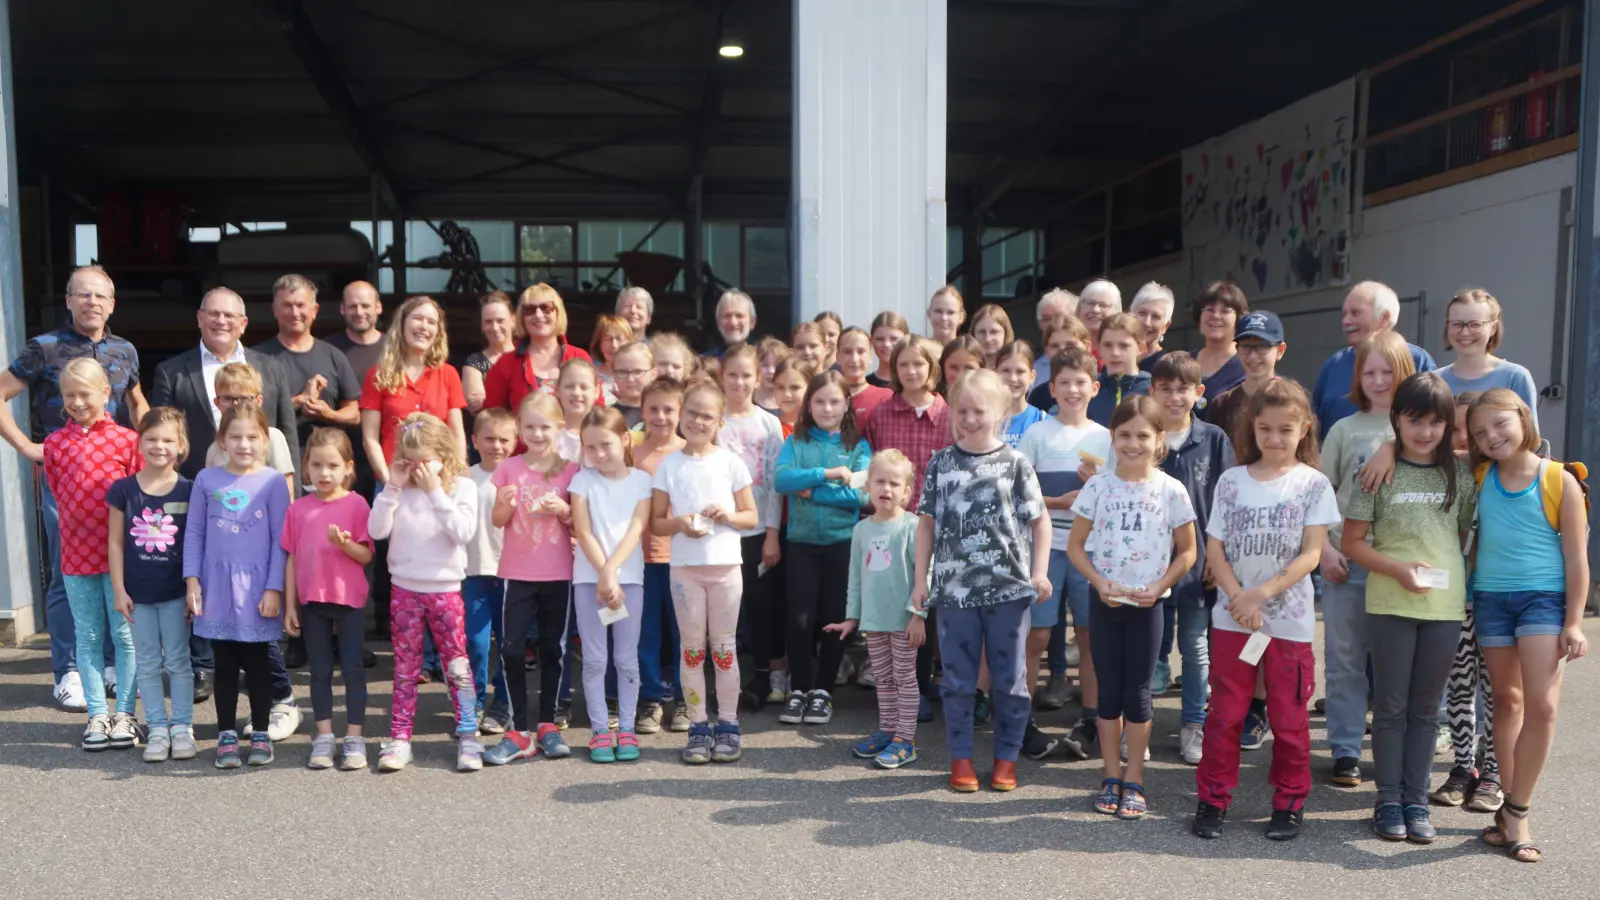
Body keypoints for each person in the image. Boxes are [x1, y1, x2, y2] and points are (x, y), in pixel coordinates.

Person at [1194, 379, 1340, 842]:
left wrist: (1260, 595)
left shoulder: (1312, 484)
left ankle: (1290, 802)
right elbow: (1214, 549)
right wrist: (1238, 597)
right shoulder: (1232, 481)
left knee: (1289, 719)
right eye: (1264, 429)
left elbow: (1311, 554)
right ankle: (1213, 799)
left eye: (1285, 430)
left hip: (1288, 624)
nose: (1274, 439)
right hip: (1232, 621)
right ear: (1251, 429)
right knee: (1226, 714)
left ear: (1304, 430)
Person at [0, 265, 146, 709]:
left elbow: (137, 405)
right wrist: (27, 446)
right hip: (64, 479)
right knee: (69, 574)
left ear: (112, 303)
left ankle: (106, 667)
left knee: (115, 573)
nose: (92, 303)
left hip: (117, 480)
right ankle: (67, 672)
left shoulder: (124, 350)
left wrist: (158, 452)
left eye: (100, 296)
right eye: (83, 295)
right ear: (68, 300)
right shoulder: (44, 348)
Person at [1340, 372, 1473, 843]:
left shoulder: (1459, 473)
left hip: (1443, 607)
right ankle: (1388, 800)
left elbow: (1458, 537)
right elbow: (1353, 543)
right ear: (1396, 418)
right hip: (1389, 602)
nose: (1425, 431)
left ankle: (1417, 801)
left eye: (1436, 422)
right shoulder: (1377, 470)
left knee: (1425, 709)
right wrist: (1397, 569)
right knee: (1392, 708)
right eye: (1415, 420)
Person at [1467, 389, 1588, 863]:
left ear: (1523, 419)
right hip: (1491, 599)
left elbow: (1577, 559)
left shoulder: (1560, 480)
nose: (1491, 436)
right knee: (1507, 700)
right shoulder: (1479, 476)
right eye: (1479, 432)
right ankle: (1509, 812)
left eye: (1499, 424)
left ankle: (1518, 808)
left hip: (1544, 600)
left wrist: (1574, 623)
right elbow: (1435, 450)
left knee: (1542, 707)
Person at [914, 368, 1049, 794]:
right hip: (954, 592)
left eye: (979, 411)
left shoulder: (1015, 464)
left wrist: (1039, 572)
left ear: (1001, 412)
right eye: (962, 410)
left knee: (1010, 679)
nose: (970, 419)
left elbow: (1040, 521)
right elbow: (926, 525)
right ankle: (961, 760)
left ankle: (1006, 758)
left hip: (1009, 590)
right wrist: (922, 579)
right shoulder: (941, 462)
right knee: (956, 681)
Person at [1068, 395, 1198, 819]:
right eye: (1124, 434)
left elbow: (1188, 553)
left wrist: (1160, 585)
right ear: (1112, 437)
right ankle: (1110, 775)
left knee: (1139, 694)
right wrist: (1099, 581)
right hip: (1104, 602)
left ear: (1159, 439)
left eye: (1143, 435)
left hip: (1149, 606)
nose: (1132, 443)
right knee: (1109, 691)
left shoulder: (1171, 490)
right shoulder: (1098, 486)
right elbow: (1075, 546)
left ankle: (1135, 778)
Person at [1320, 330, 1416, 787]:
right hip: (1346, 560)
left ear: (1405, 374)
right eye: (1369, 371)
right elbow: (1318, 496)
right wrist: (1323, 549)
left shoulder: (1419, 427)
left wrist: (1393, 444)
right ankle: (1344, 749)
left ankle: (1391, 748)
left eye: (1388, 371)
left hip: (1399, 565)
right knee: (1344, 660)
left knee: (1398, 663)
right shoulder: (1344, 429)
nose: (1379, 380)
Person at [649, 380, 760, 764]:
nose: (698, 420)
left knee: (724, 649)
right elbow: (656, 523)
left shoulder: (731, 463)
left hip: (727, 567)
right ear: (681, 414)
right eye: (692, 412)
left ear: (720, 422)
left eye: (707, 416)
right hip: (685, 570)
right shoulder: (669, 464)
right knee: (692, 651)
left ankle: (728, 725)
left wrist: (727, 515)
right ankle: (698, 726)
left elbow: (751, 517)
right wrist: (680, 523)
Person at [367, 412, 482, 772]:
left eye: (425, 461)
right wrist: (392, 487)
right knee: (405, 668)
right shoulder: (398, 489)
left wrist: (435, 491)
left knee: (457, 666)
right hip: (404, 589)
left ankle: (468, 736)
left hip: (445, 590)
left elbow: (462, 532)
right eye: (409, 460)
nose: (417, 469)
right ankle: (400, 738)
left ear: (445, 455)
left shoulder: (462, 487)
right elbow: (376, 530)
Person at [183, 403, 291, 769]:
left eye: (252, 437)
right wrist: (192, 580)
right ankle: (226, 734)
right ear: (222, 441)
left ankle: (260, 731)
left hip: (258, 588)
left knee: (258, 664)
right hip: (217, 587)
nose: (244, 444)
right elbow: (194, 532)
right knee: (224, 664)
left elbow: (281, 539)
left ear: (265, 439)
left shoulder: (274, 481)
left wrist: (275, 587)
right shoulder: (206, 480)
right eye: (236, 437)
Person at [43, 359, 142, 751]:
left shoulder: (127, 440)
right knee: (86, 635)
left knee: (124, 635)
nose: (78, 402)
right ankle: (98, 714)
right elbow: (57, 490)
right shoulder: (54, 444)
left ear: (106, 392)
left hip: (121, 555)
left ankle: (127, 714)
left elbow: (138, 493)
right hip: (76, 553)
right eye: (70, 395)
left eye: (85, 394)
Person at [1017, 346, 1110, 753]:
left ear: (1095, 388)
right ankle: (1019, 716)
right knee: (1037, 633)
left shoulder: (1105, 437)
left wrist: (1096, 487)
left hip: (1090, 549)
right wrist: (1059, 502)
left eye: (1081, 383)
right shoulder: (1037, 434)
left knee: (1090, 636)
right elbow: (1019, 491)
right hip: (1044, 546)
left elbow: (1118, 496)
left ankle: (1091, 717)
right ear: (1051, 388)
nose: (1073, 390)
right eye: (1064, 383)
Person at [482, 392, 579, 766]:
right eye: (530, 426)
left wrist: (565, 510)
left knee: (554, 649)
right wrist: (504, 505)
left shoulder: (570, 470)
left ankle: (547, 725)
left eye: (545, 426)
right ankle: (517, 730)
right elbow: (498, 520)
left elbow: (578, 521)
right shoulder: (508, 468)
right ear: (519, 429)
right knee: (510, 648)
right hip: (515, 572)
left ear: (559, 428)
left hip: (558, 572)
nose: (537, 433)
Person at [1148, 352, 1234, 763]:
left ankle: (1194, 724)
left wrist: (1221, 560)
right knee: (1150, 649)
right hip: (1148, 566)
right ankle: (1140, 724)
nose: (1173, 397)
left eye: (1182, 388)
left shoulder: (1214, 439)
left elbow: (1228, 503)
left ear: (1198, 393)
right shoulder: (1145, 438)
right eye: (1165, 389)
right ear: (1153, 392)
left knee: (1196, 649)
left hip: (1199, 566)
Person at [774, 369, 872, 727]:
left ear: (847, 404)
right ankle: (799, 689)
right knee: (799, 620)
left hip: (841, 544)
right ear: (808, 404)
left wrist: (810, 491)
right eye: (819, 401)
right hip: (801, 544)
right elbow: (781, 479)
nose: (827, 407)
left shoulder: (857, 446)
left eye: (834, 401)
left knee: (834, 619)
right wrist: (826, 474)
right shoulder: (796, 442)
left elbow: (861, 496)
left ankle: (823, 693)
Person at [862, 335, 952, 722]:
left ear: (932, 369)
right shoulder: (881, 414)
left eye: (919, 364)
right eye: (903, 365)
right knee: (898, 603)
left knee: (927, 604)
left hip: (935, 524)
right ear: (893, 371)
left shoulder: (947, 414)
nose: (911, 371)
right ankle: (897, 687)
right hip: (892, 527)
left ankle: (925, 682)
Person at [823, 450, 926, 769]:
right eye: (880, 481)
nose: (887, 489)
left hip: (904, 620)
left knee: (904, 678)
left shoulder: (914, 526)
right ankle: (888, 731)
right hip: (874, 621)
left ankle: (905, 740)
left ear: (907, 492)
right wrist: (852, 618)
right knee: (883, 676)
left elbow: (925, 574)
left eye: (895, 483)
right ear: (867, 486)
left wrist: (917, 615)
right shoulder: (861, 530)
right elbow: (855, 578)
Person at [280, 428, 374, 771]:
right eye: (316, 465)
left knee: (352, 670)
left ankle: (354, 737)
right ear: (306, 467)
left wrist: (344, 544)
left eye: (332, 466)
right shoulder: (298, 509)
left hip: (348, 600)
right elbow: (290, 558)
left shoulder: (358, 504)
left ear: (348, 467)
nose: (324, 473)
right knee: (317, 671)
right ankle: (323, 737)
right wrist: (290, 605)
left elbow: (366, 556)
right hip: (312, 602)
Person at [1428, 390, 1502, 812]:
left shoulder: (1499, 474)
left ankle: (1492, 769)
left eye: (1467, 431)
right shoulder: (1438, 475)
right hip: (1455, 598)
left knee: (1493, 688)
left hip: (1494, 597)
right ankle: (1462, 766)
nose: (1459, 439)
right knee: (1458, 685)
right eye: (1451, 429)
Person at [107, 407, 195, 762]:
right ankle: (157, 727)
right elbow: (114, 542)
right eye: (152, 439)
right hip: (138, 595)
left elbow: (195, 543)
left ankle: (182, 726)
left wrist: (193, 588)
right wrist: (118, 589)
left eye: (168, 440)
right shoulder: (123, 490)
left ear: (181, 445)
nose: (160, 446)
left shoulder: (190, 490)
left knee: (178, 661)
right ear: (139, 443)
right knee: (146, 662)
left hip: (175, 594)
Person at [569, 407, 653, 763]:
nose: (598, 454)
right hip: (588, 581)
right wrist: (603, 574)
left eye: (605, 445)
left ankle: (628, 729)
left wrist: (612, 572)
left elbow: (637, 528)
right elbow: (583, 530)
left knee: (626, 658)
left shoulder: (641, 481)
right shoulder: (582, 481)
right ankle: (600, 730)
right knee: (594, 659)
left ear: (624, 439)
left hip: (629, 580)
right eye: (591, 447)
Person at [152, 286, 299, 481]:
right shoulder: (171, 372)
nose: (221, 321)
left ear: (243, 323)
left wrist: (293, 498)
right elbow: (162, 432)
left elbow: (288, 433)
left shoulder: (271, 368)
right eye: (214, 314)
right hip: (194, 488)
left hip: (264, 493)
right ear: (200, 318)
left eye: (229, 315)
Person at [714, 344, 786, 704]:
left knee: (761, 605)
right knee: (723, 609)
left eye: (746, 375)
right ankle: (723, 678)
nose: (739, 382)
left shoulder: (769, 423)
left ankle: (762, 674)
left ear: (758, 379)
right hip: (717, 532)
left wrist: (772, 534)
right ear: (721, 377)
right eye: (732, 375)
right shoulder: (713, 420)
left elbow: (774, 483)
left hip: (757, 531)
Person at [359, 294, 468, 484]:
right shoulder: (378, 375)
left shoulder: (448, 374)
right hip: (393, 481)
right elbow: (370, 438)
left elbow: (456, 433)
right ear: (402, 324)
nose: (424, 327)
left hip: (438, 482)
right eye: (418, 318)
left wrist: (456, 477)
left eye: (431, 322)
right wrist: (388, 482)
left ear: (438, 331)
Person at [254, 274, 362, 460]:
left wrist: (328, 413)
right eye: (287, 305)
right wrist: (297, 401)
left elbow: (354, 413)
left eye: (301, 305)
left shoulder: (333, 355)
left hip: (327, 469)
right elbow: (248, 413)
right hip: (273, 464)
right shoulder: (257, 359)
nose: (295, 313)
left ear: (315, 310)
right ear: (274, 310)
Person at [1312, 280, 1436, 439]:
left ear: (1384, 318)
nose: (1345, 321)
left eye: (1355, 313)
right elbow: (1315, 422)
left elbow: (1434, 422)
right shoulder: (1334, 364)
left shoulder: (1418, 361)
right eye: (1344, 314)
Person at [633, 378, 689, 733]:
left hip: (683, 558)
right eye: (653, 409)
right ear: (642, 411)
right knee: (646, 633)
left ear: (680, 412)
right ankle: (651, 698)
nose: (661, 416)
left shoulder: (691, 451)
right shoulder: (631, 452)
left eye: (669, 409)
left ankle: (686, 699)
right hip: (639, 559)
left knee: (686, 633)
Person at [464, 408, 516, 734]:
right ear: (474, 441)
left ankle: (503, 703)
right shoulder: (466, 478)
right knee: (475, 641)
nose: (496, 445)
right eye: (489, 438)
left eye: (503, 439)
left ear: (515, 441)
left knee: (510, 642)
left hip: (512, 572)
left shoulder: (519, 476)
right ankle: (473, 700)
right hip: (473, 572)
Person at [483, 283, 594, 413]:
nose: (538, 315)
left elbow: (597, 408)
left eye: (546, 308)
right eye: (530, 310)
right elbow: (493, 418)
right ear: (521, 317)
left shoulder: (579, 357)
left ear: (558, 313)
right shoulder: (505, 364)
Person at [1437, 289, 1539, 426]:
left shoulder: (1515, 377)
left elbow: (1531, 440)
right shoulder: (1435, 381)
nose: (1465, 332)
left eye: (1475, 325)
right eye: (1457, 324)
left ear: (1493, 328)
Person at [325, 280, 385, 499]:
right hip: (340, 457)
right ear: (342, 309)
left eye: (365, 306)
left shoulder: (395, 351)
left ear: (378, 307)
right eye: (352, 306)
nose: (359, 312)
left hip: (386, 455)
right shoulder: (327, 350)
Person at [202, 363, 297, 497]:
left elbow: (286, 490)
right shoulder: (214, 449)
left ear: (259, 401)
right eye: (228, 398)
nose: (236, 404)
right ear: (217, 403)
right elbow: (209, 494)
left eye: (244, 398)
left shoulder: (272, 437)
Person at [1206, 310, 1288, 442]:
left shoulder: (1292, 401)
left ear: (1280, 350)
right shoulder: (1222, 405)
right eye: (1245, 347)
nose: (1252, 356)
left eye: (1262, 346)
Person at [1086, 313, 1151, 426]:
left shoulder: (1152, 389)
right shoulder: (1088, 388)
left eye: (1124, 346)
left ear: (1141, 348)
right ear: (1099, 349)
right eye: (1108, 345)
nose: (1115, 353)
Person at [462, 291, 517, 417]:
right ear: (482, 325)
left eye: (500, 320)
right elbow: (476, 409)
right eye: (488, 322)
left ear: (513, 320)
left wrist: (486, 399)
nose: (495, 327)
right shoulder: (474, 362)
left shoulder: (526, 356)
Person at [1192, 281, 1249, 400]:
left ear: (1238, 318)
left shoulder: (1249, 365)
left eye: (1225, 311)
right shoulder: (1184, 361)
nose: (1216, 316)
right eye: (1209, 310)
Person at [1024, 316, 1093, 412]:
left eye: (1070, 345)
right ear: (1047, 351)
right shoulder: (1039, 395)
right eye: (1055, 346)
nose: (1063, 351)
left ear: (1087, 347)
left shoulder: (1104, 390)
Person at [835, 326, 893, 426]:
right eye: (847, 352)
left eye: (861, 351)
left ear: (870, 356)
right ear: (838, 357)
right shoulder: (825, 397)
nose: (854, 359)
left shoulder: (886, 397)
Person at [994, 341, 1046, 447]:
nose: (1013, 378)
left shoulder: (1043, 420)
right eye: (1006, 370)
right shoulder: (984, 420)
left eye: (1020, 371)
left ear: (1032, 376)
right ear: (995, 374)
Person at [555, 358, 602, 463]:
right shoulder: (549, 433)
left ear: (596, 391)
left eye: (584, 387)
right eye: (569, 386)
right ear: (557, 390)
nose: (576, 393)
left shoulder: (606, 432)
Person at [1031, 288, 1079, 388]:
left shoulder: (1092, 363)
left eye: (1059, 317)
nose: (1053, 323)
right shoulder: (1034, 370)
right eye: (1046, 319)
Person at [589, 313, 634, 405]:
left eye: (619, 339)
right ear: (599, 344)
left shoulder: (639, 374)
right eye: (607, 339)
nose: (614, 345)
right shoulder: (590, 374)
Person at [1131, 282, 1176, 373]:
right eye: (1142, 313)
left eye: (1156, 317)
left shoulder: (1168, 367)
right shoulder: (1115, 358)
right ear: (1131, 315)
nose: (1147, 323)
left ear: (1166, 326)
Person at [609, 341, 653, 429]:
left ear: (654, 374)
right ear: (614, 375)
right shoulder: (606, 417)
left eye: (638, 372)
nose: (630, 379)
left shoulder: (663, 414)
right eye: (623, 372)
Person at [704, 290, 757, 357]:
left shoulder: (765, 360)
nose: (733, 323)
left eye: (739, 316)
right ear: (718, 322)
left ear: (752, 322)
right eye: (727, 316)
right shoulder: (705, 363)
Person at [769, 357, 812, 434]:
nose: (786, 394)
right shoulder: (770, 429)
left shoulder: (821, 428)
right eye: (780, 387)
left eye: (795, 387)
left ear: (810, 389)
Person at [868, 311, 910, 388]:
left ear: (906, 339)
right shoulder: (865, 385)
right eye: (880, 339)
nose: (886, 344)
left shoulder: (914, 383)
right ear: (871, 341)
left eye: (894, 339)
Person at [1076, 279, 1122, 348]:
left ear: (1116, 311)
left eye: (1103, 305)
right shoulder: (1065, 343)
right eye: (1090, 303)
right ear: (1079, 307)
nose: (1096, 310)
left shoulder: (1123, 346)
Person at [969, 304, 1015, 368]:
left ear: (1006, 333)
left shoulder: (1014, 369)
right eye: (982, 332)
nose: (987, 339)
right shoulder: (965, 368)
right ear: (973, 334)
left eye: (994, 332)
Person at [755, 337, 790, 414]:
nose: (771, 371)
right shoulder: (748, 399)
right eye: (764, 365)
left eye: (777, 365)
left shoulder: (791, 400)